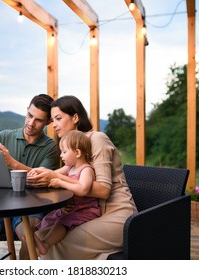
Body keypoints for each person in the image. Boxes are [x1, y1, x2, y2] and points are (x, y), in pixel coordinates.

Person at [27, 95, 138, 259]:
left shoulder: (96, 138)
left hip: (117, 215)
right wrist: (37, 175)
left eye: (58, 118)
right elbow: (61, 173)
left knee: (56, 245)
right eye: (52, 120)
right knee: (41, 237)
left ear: (75, 117)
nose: (54, 125)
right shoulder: (73, 149)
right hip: (91, 214)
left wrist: (56, 179)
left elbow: (104, 190)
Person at [0, 94, 60, 260]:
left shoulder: (51, 147)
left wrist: (13, 163)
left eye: (38, 120)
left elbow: (42, 178)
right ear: (26, 111)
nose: (31, 123)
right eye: (30, 116)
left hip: (30, 208)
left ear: (48, 122)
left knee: (30, 239)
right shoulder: (3, 137)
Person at [31, 130, 101, 256]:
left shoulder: (86, 170)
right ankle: (35, 238)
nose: (61, 156)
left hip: (84, 210)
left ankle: (45, 245)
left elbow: (83, 189)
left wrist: (61, 183)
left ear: (77, 152)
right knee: (50, 217)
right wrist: (40, 171)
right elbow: (54, 173)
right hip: (70, 208)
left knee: (62, 222)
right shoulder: (69, 168)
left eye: (64, 152)